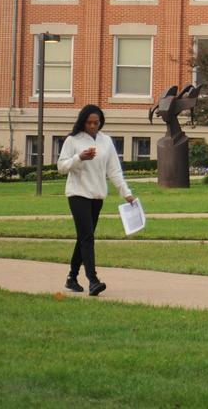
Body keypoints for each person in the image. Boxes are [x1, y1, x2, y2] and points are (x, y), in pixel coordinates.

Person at [57, 104, 135, 296]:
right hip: (78, 194)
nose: (93, 126)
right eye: (90, 123)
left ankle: (71, 277)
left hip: (97, 195)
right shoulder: (73, 140)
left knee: (85, 236)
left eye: (96, 123)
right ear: (83, 122)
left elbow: (114, 170)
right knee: (87, 238)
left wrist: (126, 193)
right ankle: (93, 280)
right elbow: (61, 167)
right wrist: (79, 158)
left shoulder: (106, 141)